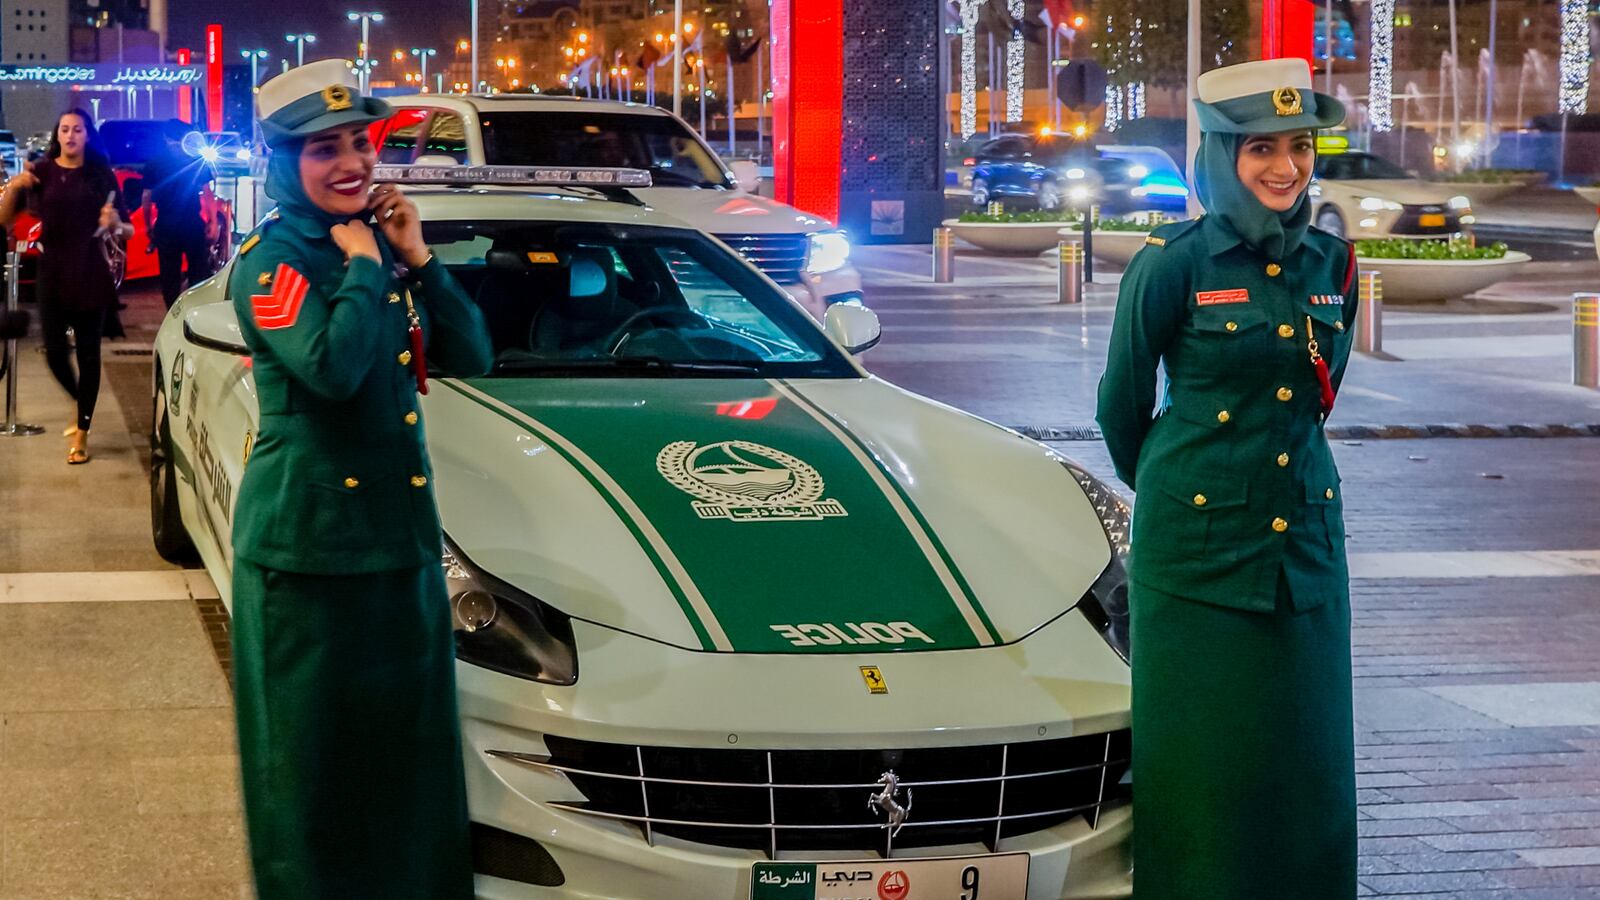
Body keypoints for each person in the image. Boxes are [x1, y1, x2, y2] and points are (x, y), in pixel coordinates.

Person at [227, 59, 493, 899]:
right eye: (323, 149)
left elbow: (474, 353)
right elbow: (332, 372)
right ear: (282, 162)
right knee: (308, 777)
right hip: (308, 559)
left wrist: (419, 258)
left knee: (407, 769)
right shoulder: (271, 262)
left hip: (397, 547)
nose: (350, 164)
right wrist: (367, 266)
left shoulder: (378, 244)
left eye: (358, 143)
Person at [1095, 58, 1359, 898]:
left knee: (1307, 758)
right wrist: (1184, 493)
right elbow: (1121, 406)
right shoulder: (1173, 263)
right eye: (1261, 149)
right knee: (1202, 765)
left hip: (1304, 551)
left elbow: (1316, 399)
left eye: (1300, 147)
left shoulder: (1333, 265)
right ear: (1220, 154)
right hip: (1196, 558)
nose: (1287, 167)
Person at [0, 108, 130, 464]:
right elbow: (5, 219)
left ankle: (82, 434)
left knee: (89, 355)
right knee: (55, 352)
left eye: (78, 130)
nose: (71, 135)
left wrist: (115, 223)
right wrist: (15, 187)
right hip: (52, 270)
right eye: (65, 129)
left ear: (87, 136)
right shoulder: (40, 172)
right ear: (57, 135)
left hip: (90, 270)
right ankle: (79, 401)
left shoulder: (101, 175)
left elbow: (128, 230)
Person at [141, 119, 216, 307]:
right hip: (192, 224)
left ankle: (172, 313)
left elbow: (146, 197)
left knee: (169, 275)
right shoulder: (195, 159)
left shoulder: (154, 163)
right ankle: (196, 311)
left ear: (165, 137)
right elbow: (207, 193)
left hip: (166, 225)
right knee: (198, 271)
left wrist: (148, 225)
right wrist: (213, 221)